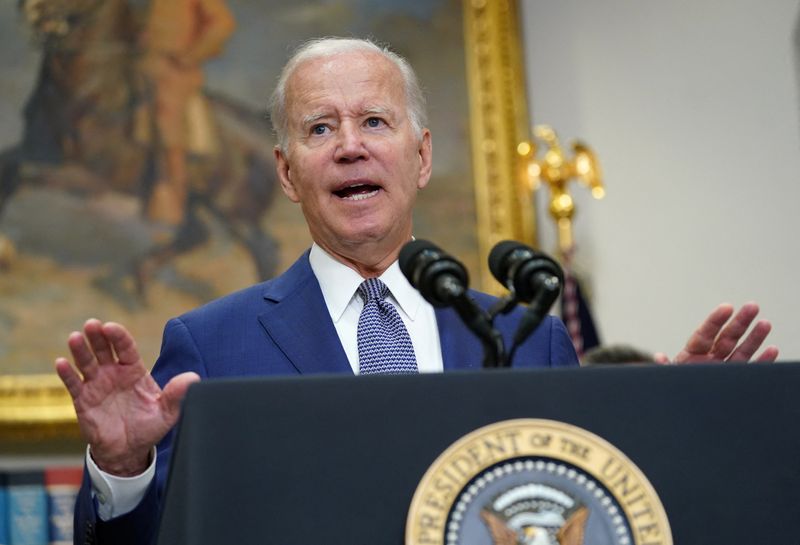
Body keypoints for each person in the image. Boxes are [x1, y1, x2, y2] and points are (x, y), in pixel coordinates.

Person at [55, 38, 779, 545]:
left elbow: (575, 507)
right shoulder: (209, 343)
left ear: (421, 154)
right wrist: (124, 468)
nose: (350, 145)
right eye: (319, 128)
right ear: (285, 172)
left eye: (375, 121)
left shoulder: (528, 333)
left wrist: (684, 426)